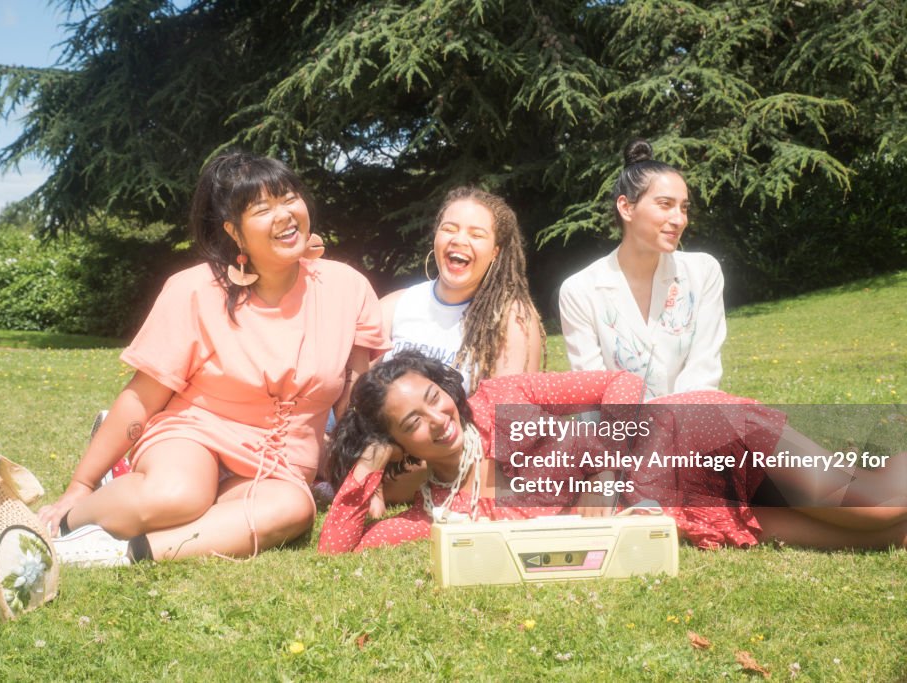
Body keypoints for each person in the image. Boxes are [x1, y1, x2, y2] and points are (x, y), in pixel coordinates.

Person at [38, 151, 387, 563]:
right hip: (194, 436)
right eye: (262, 208)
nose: (285, 215)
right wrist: (81, 482)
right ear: (235, 233)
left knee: (293, 510)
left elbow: (356, 397)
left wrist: (365, 479)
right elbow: (143, 396)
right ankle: (67, 523)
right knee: (179, 495)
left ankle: (117, 553)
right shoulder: (194, 290)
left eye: (289, 198)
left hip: (280, 464)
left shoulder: (348, 287)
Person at [318, 351, 907, 554]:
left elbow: (619, 384)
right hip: (686, 505)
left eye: (434, 396)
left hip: (691, 434)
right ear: (398, 441)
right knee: (876, 536)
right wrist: (367, 467)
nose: (438, 417)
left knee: (871, 507)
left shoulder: (501, 398)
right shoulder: (438, 511)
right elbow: (340, 549)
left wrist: (607, 468)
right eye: (412, 422)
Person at [377, 187, 545, 506]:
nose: (459, 240)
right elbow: (362, 394)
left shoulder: (512, 320)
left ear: (495, 251)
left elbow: (507, 426)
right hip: (391, 448)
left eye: (476, 234)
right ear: (436, 238)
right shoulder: (394, 306)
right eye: (449, 229)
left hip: (462, 456)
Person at [558, 139, 725, 399]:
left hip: (696, 424)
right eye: (665, 204)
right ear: (626, 207)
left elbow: (703, 372)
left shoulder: (703, 273)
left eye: (684, 207)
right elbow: (593, 393)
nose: (679, 219)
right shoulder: (581, 291)